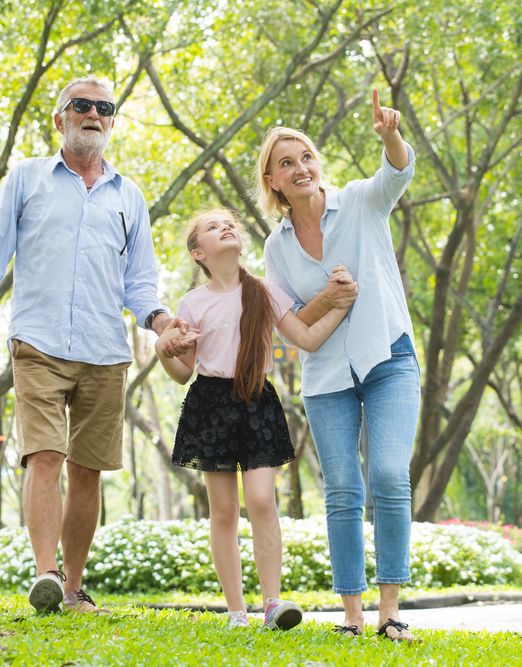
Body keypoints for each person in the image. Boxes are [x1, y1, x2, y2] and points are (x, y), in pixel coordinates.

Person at [0, 76, 189, 614]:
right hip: (38, 341)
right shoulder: (27, 177)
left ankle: (74, 587)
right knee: (45, 455)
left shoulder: (129, 196)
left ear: (112, 121)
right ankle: (46, 576)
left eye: (104, 107)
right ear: (60, 119)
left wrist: (161, 322)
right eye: (81, 105)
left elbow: (140, 282)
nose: (93, 114)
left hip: (105, 350)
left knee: (87, 468)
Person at [256, 88, 420, 642]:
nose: (300, 168)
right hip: (326, 376)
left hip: (389, 355)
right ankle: (352, 614)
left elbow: (397, 173)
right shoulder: (276, 249)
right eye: (286, 163)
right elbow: (292, 326)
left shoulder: (360, 201)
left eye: (306, 157)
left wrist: (391, 136)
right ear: (273, 181)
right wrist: (328, 298)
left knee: (389, 475)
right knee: (343, 488)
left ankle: (389, 611)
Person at [154, 208, 354, 631]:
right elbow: (183, 372)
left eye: (229, 224)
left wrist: (339, 305)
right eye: (212, 228)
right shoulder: (192, 303)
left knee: (262, 500)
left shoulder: (263, 290)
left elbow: (306, 337)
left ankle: (272, 604)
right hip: (211, 405)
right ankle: (236, 611)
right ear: (198, 253)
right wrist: (162, 350)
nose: (226, 227)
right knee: (224, 510)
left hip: (256, 400)